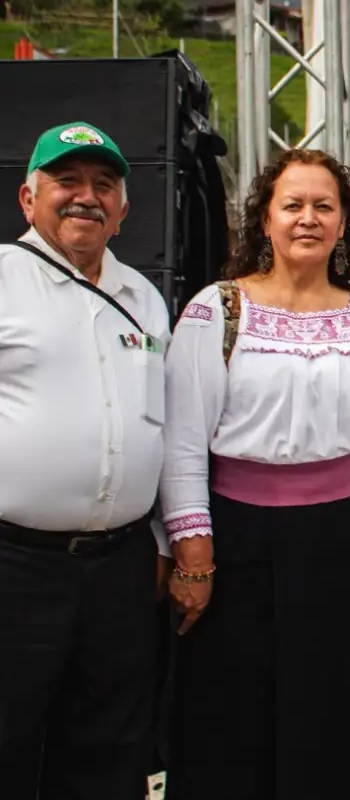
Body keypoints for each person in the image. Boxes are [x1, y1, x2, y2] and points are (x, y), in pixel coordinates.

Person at [159, 148, 350, 800]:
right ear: (265, 219)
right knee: (237, 719)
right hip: (240, 545)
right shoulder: (215, 311)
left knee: (341, 718)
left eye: (324, 206)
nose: (307, 219)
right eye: (293, 205)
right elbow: (181, 443)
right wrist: (193, 554)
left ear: (345, 223)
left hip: (349, 546)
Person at [0, 122, 171, 800]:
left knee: (109, 748)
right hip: (16, 566)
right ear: (27, 197)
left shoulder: (145, 299)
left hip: (121, 570)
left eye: (103, 186)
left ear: (125, 209)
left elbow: (160, 425)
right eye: (67, 182)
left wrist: (163, 542)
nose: (86, 198)